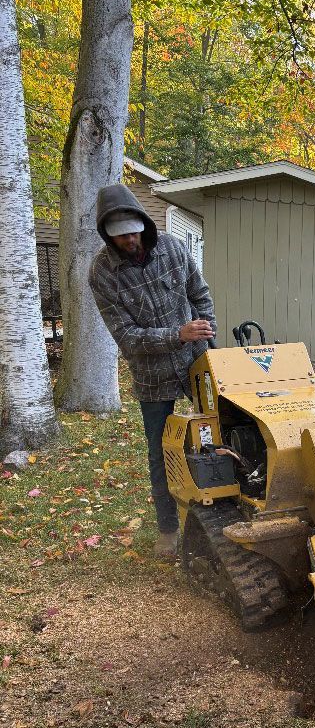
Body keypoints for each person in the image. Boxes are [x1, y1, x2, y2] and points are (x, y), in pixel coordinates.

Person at [88, 184, 216, 559]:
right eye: (120, 235)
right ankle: (168, 530)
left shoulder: (173, 247)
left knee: (223, 430)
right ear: (107, 235)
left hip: (197, 358)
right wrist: (175, 334)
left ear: (143, 222)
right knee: (162, 452)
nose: (130, 239)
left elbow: (200, 295)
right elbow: (126, 337)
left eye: (133, 230)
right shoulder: (102, 273)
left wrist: (207, 331)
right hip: (151, 372)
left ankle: (226, 507)